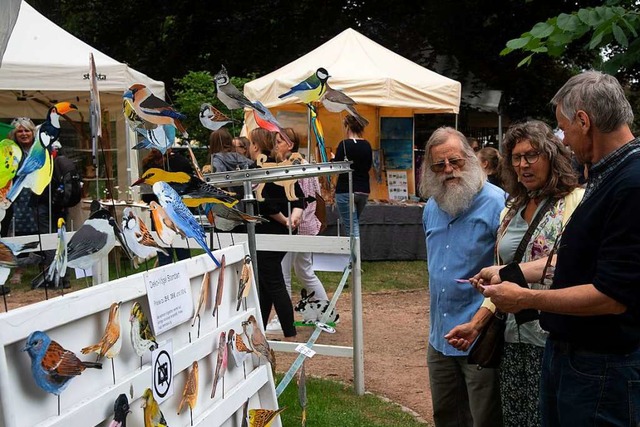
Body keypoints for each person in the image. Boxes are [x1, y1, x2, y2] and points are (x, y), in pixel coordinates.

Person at [475, 71, 640, 426]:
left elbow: (611, 295)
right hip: (575, 357)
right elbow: (585, 259)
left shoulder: (631, 183)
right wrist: (512, 273)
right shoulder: (605, 174)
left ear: (584, 120)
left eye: (564, 128)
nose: (563, 141)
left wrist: (526, 299)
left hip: (602, 366)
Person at [446, 120, 583, 427]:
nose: (523, 164)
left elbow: (575, 261)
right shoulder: (510, 210)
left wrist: (512, 271)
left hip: (555, 340)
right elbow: (502, 279)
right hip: (511, 342)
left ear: (552, 156)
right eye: (516, 158)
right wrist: (476, 324)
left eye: (532, 155)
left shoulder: (576, 202)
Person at [420, 126, 505, 427]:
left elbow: (507, 271)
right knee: (446, 416)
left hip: (481, 336)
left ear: (471, 158)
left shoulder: (498, 204)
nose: (448, 170)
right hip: (440, 335)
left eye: (455, 161)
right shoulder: (431, 206)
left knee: (485, 418)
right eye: (439, 165)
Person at [266, 128, 329, 333]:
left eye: (279, 141)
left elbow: (299, 199)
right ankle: (325, 309)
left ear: (290, 145)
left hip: (295, 226)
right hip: (306, 225)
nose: (275, 145)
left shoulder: (291, 167)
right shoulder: (305, 165)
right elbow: (315, 196)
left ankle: (283, 319)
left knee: (284, 273)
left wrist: (292, 220)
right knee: (304, 271)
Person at [249, 127, 304, 338]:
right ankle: (261, 328)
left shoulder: (258, 169)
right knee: (265, 282)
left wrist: (286, 220)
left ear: (256, 146)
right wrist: (293, 218)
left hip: (269, 232)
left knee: (272, 281)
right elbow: (299, 196)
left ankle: (289, 330)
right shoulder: (282, 167)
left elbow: (265, 204)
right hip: (282, 231)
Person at [140, 148, 194, 265]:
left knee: (165, 255)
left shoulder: (148, 164)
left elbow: (146, 195)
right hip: (178, 211)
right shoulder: (182, 162)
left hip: (158, 212)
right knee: (183, 254)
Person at [332, 115, 372, 237]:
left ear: (347, 127)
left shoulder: (344, 144)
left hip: (346, 189)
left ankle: (355, 256)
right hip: (363, 190)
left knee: (351, 226)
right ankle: (352, 254)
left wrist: (333, 159)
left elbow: (337, 167)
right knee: (353, 223)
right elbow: (368, 166)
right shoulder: (367, 145)